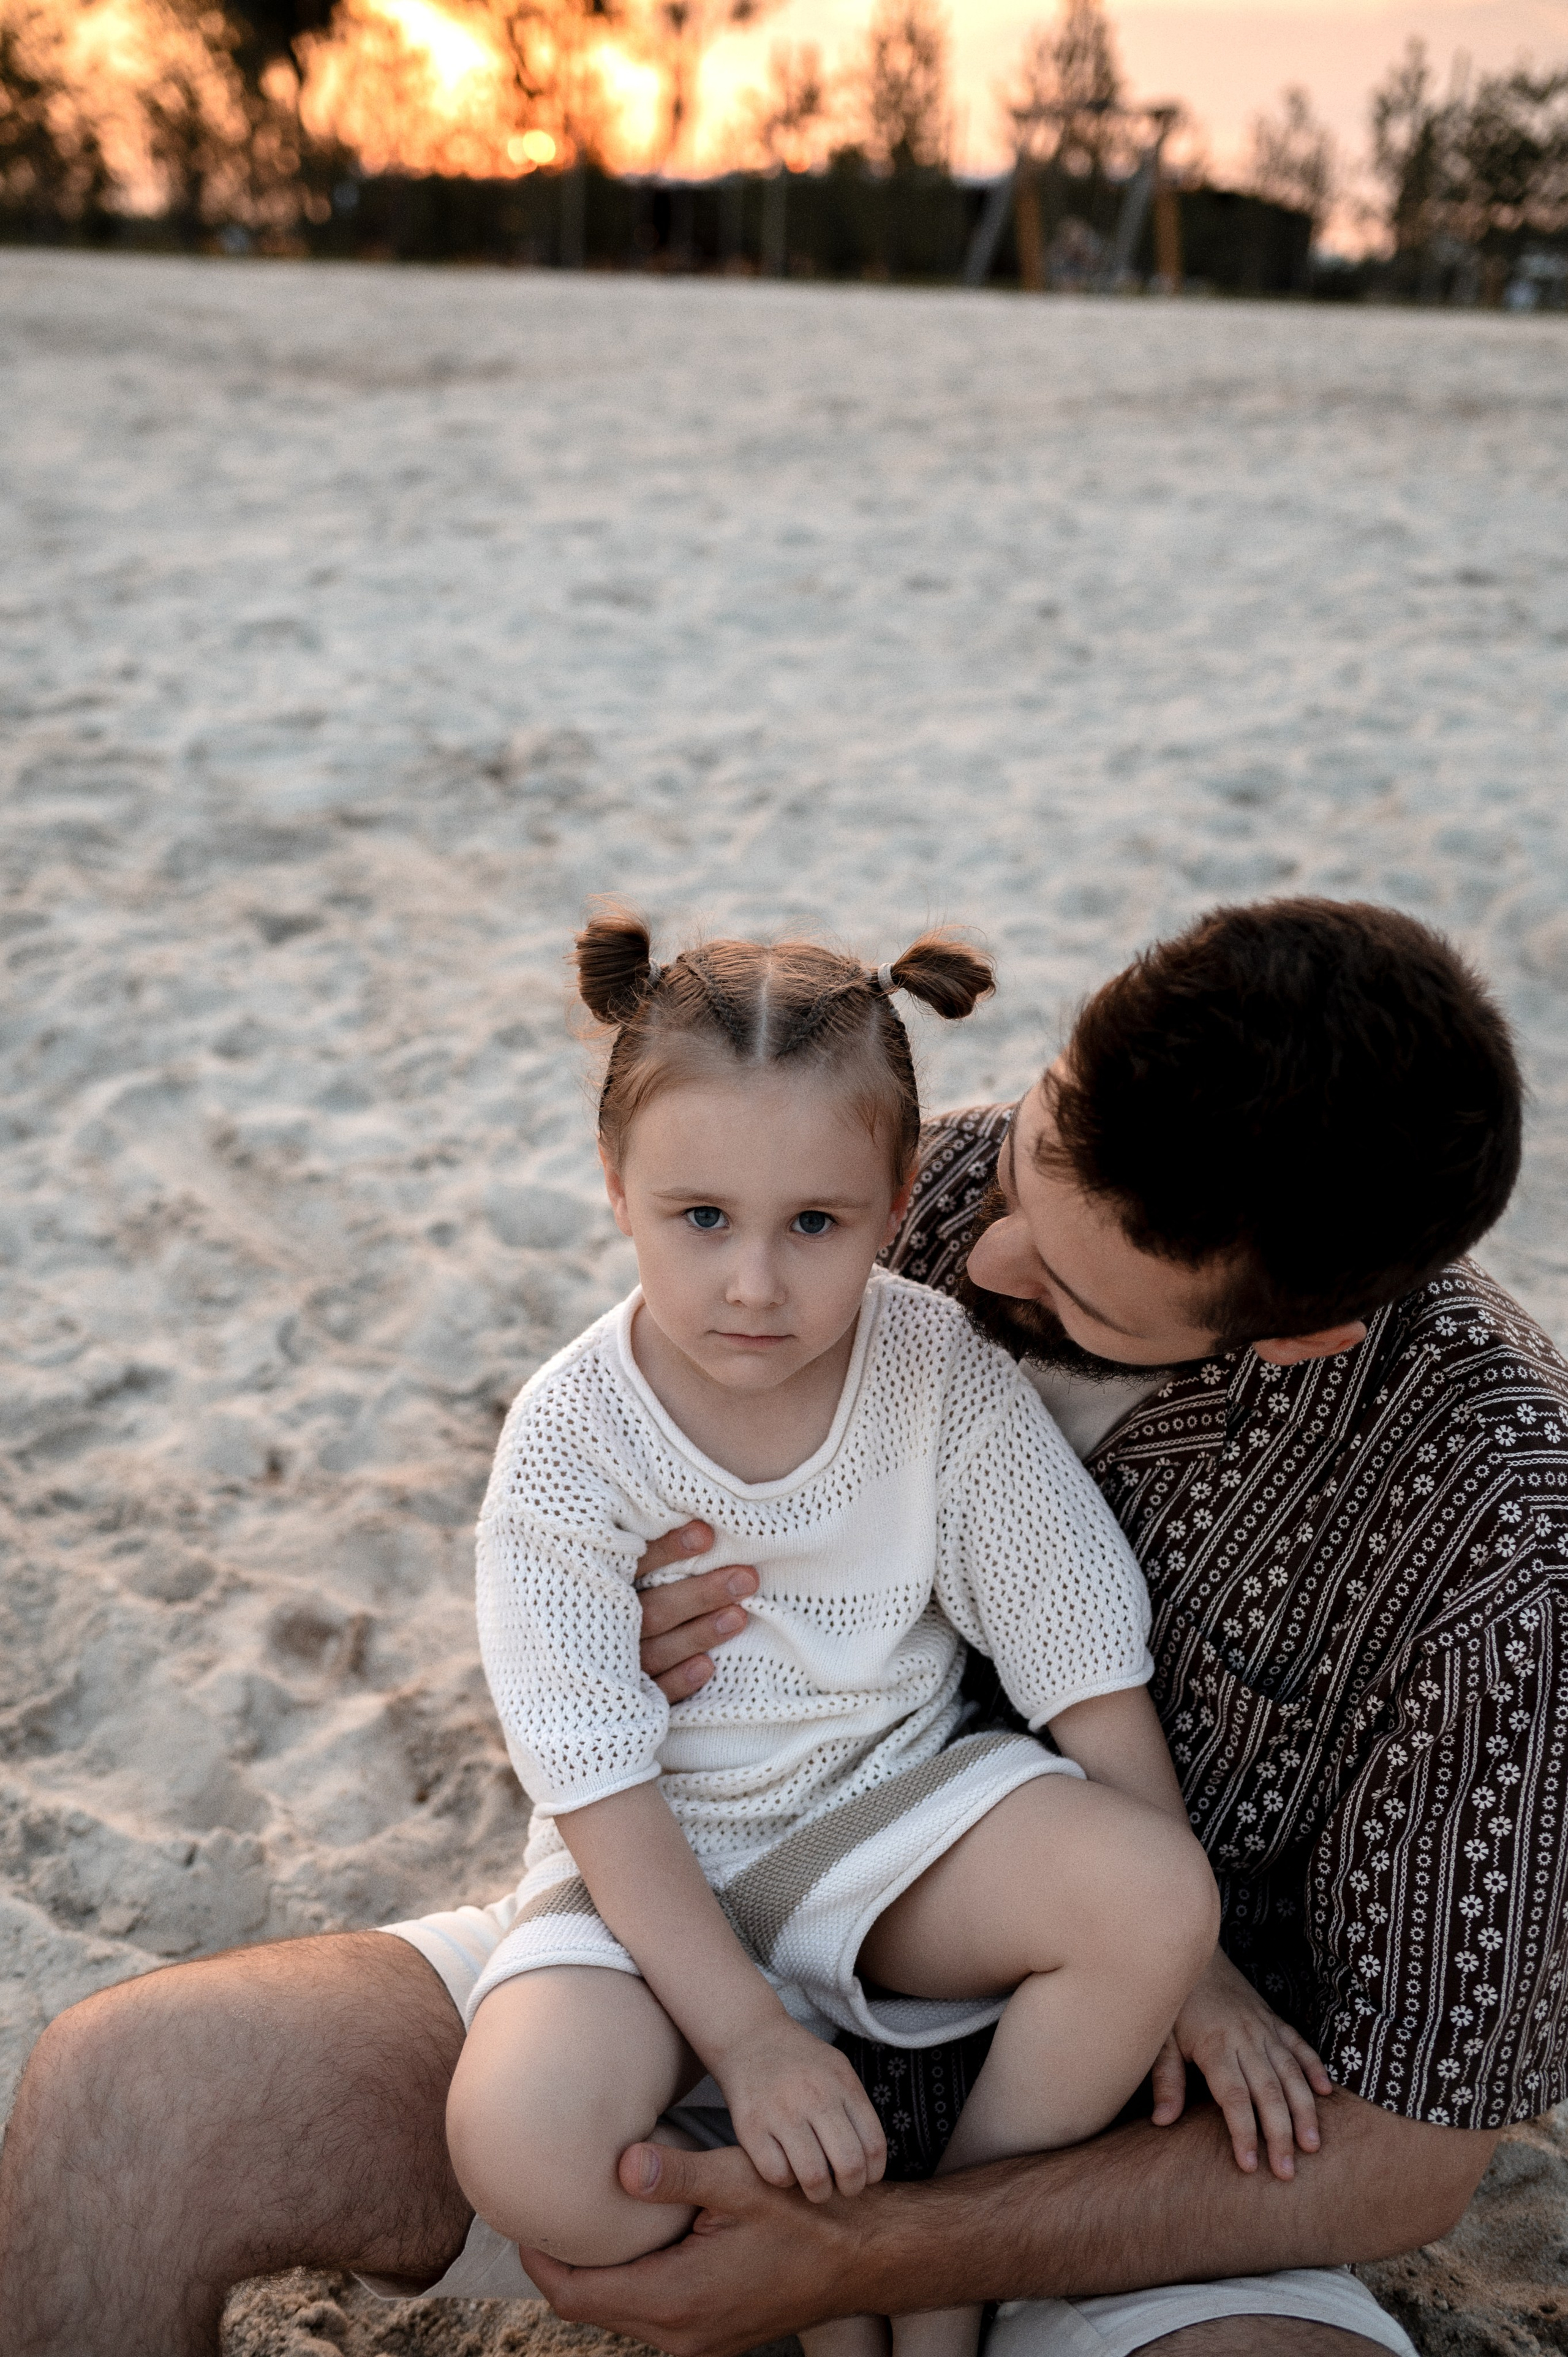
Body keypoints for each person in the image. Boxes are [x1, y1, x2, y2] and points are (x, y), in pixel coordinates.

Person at [3, 897, 1563, 2357]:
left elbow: (1406, 2163)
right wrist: (633, 1641)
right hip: (676, 1936)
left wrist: (894, 2250)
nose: (975, 1253)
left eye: (1076, 1290)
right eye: (1016, 1164)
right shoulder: (891, 1181)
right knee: (121, 2100)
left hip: (1107, 2156)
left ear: (1291, 1335)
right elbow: (664, 1345)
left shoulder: (1500, 1547)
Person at [443, 911, 1240, 2357]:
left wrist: (1199, 1969)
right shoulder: (567, 1436)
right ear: (616, 1190)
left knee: (1153, 1892)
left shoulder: (931, 1367)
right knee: (521, 2145)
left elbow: (1080, 1657)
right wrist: (745, 2037)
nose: (754, 1284)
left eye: (813, 1224)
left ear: (891, 1205)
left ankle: (932, 2263)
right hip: (646, 1865)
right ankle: (778, 2240)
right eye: (702, 1219)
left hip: (885, 1824)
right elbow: (595, 1780)